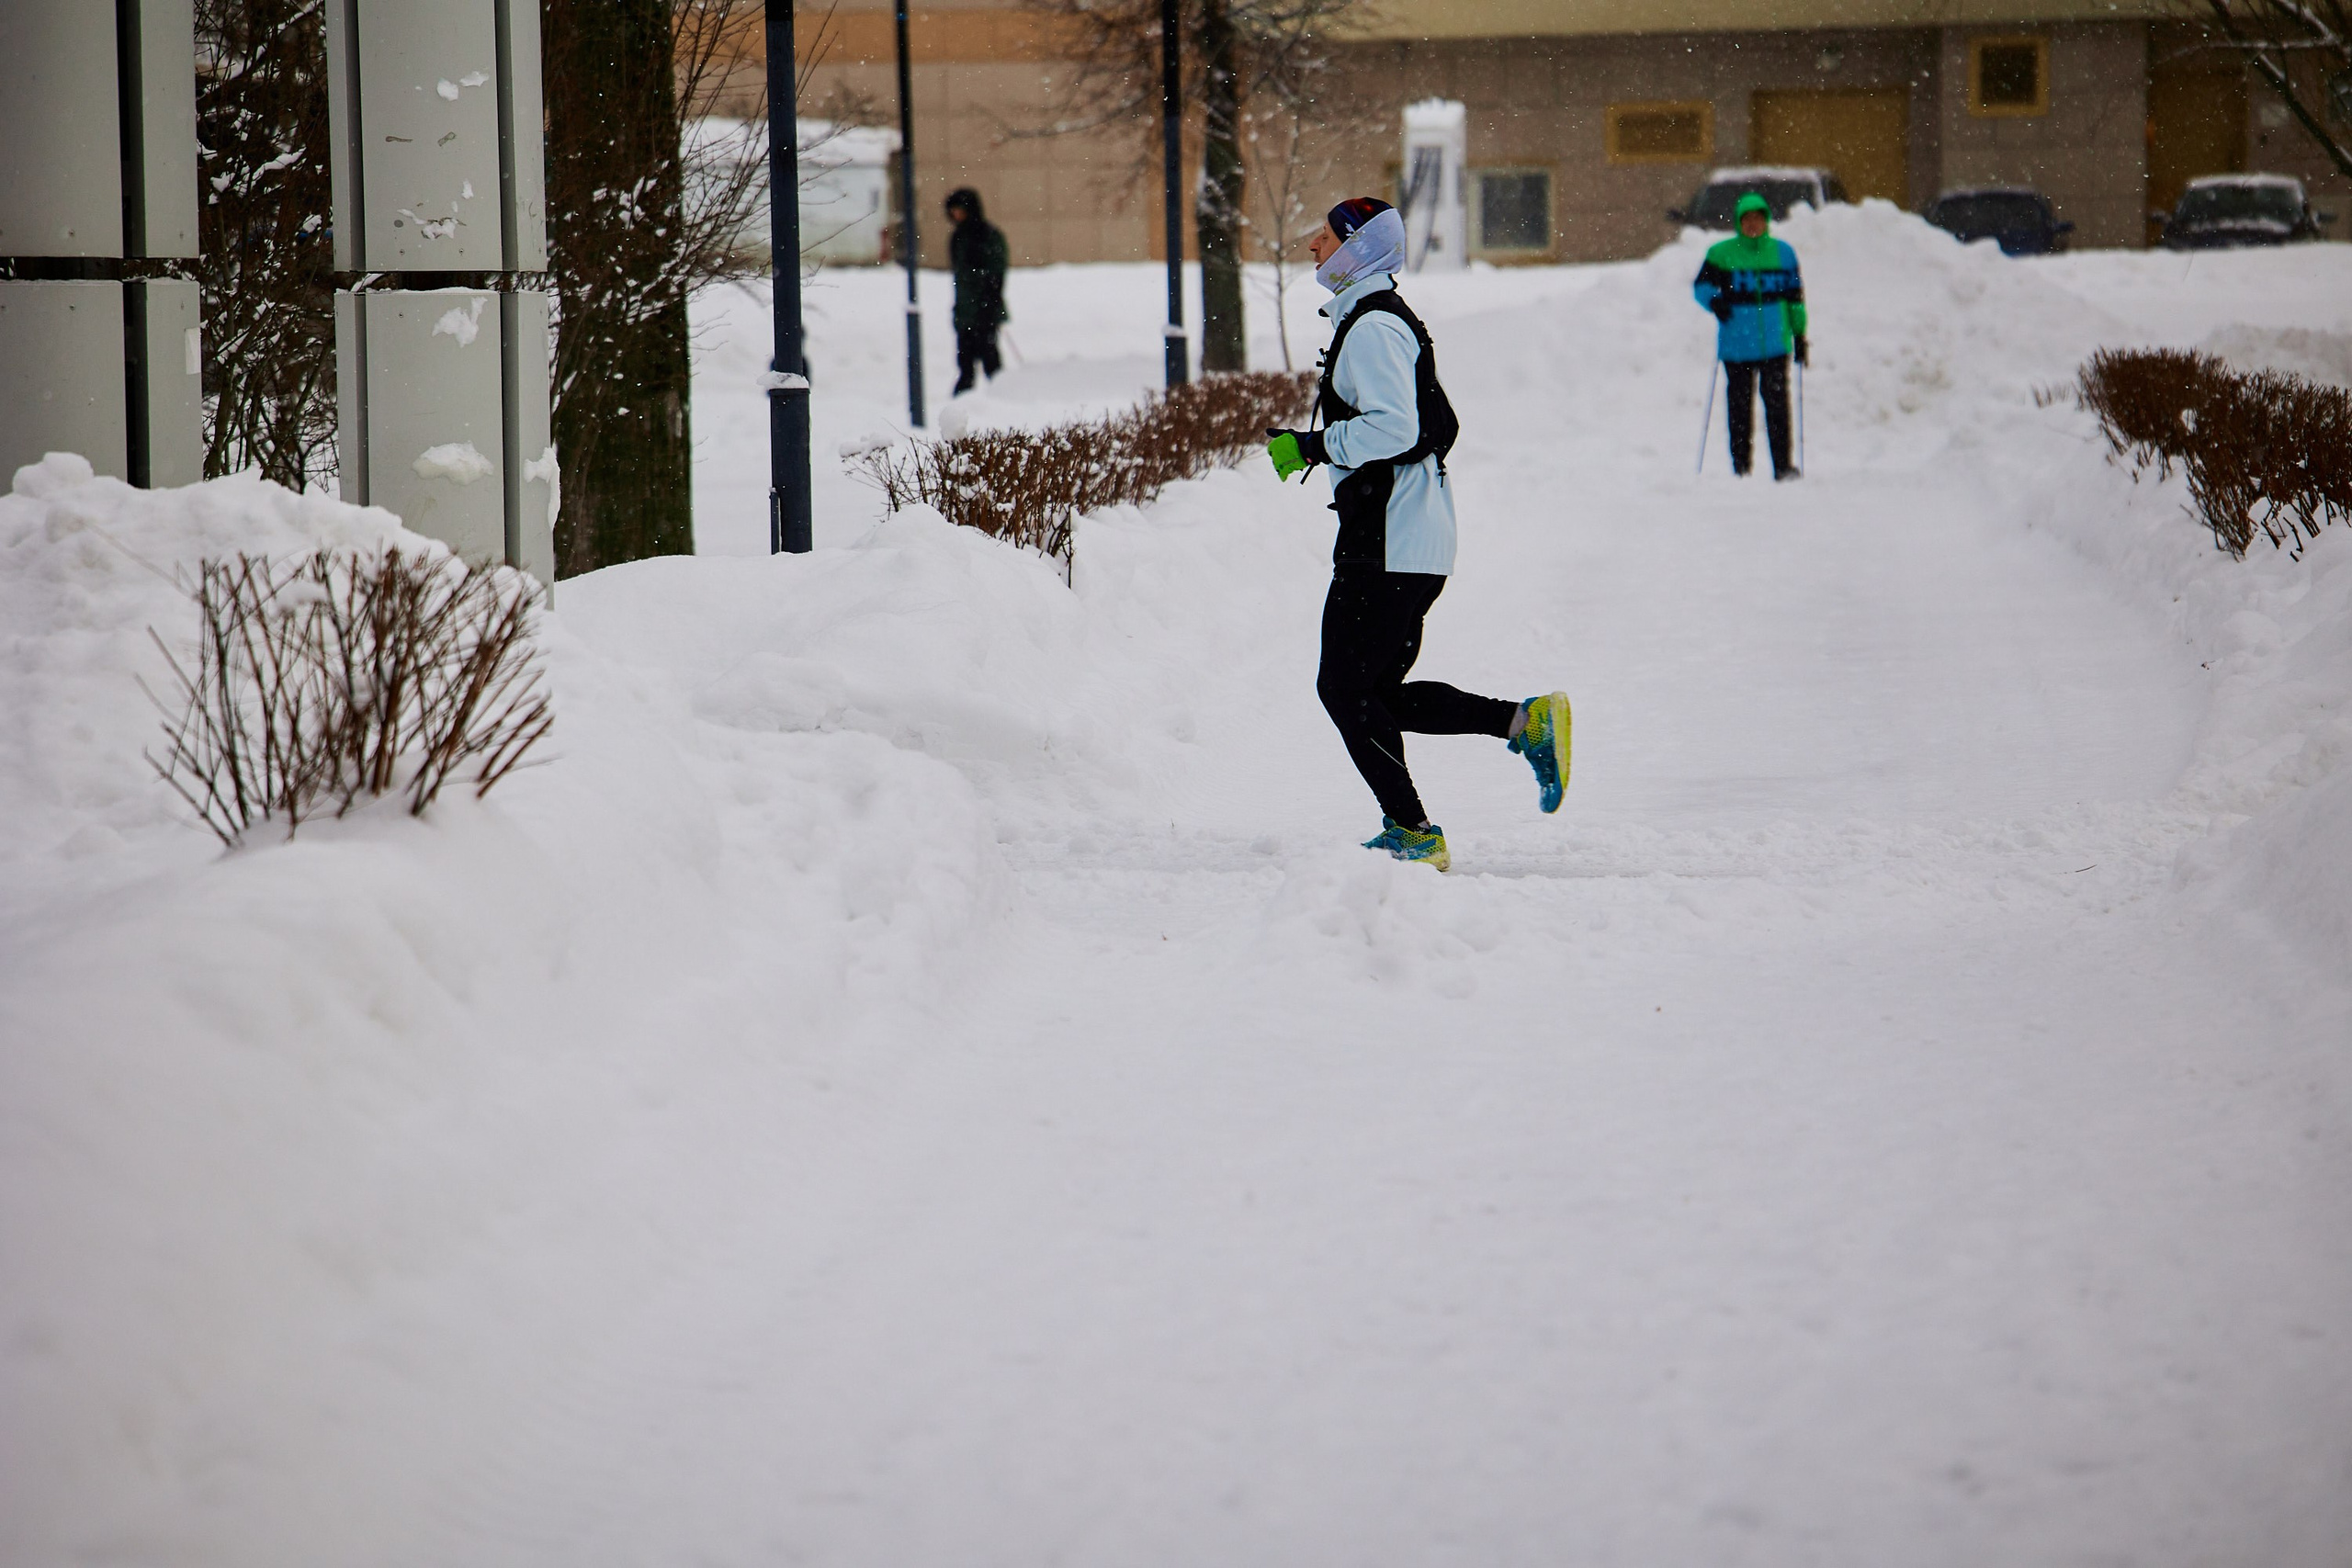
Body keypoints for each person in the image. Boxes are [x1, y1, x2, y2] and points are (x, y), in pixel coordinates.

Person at [1265, 197, 1571, 873]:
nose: (1313, 246)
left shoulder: (1374, 327)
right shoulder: (1373, 318)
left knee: (1345, 690)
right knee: (1375, 696)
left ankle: (1414, 831)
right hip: (1406, 537)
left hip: (1388, 539)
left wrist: (1312, 446)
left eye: (1326, 237)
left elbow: (1395, 427)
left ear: (1356, 249)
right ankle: (1524, 724)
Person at [1692, 192, 1807, 480]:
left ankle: (1783, 467)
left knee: (1778, 408)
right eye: (1747, 219)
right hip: (1737, 346)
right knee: (1740, 410)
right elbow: (1701, 286)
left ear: (1766, 221)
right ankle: (1741, 468)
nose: (1753, 224)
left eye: (1758, 218)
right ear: (1738, 222)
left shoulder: (1784, 253)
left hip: (1775, 345)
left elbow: (1795, 298)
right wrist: (1714, 302)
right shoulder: (1721, 254)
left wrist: (1799, 335)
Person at [944, 187, 1009, 394]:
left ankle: (1002, 397)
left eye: (959, 210)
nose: (956, 215)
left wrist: (990, 300)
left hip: (984, 309)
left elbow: (997, 271)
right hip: (965, 312)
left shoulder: (988, 235)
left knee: (990, 361)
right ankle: (964, 403)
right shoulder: (958, 238)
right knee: (966, 364)